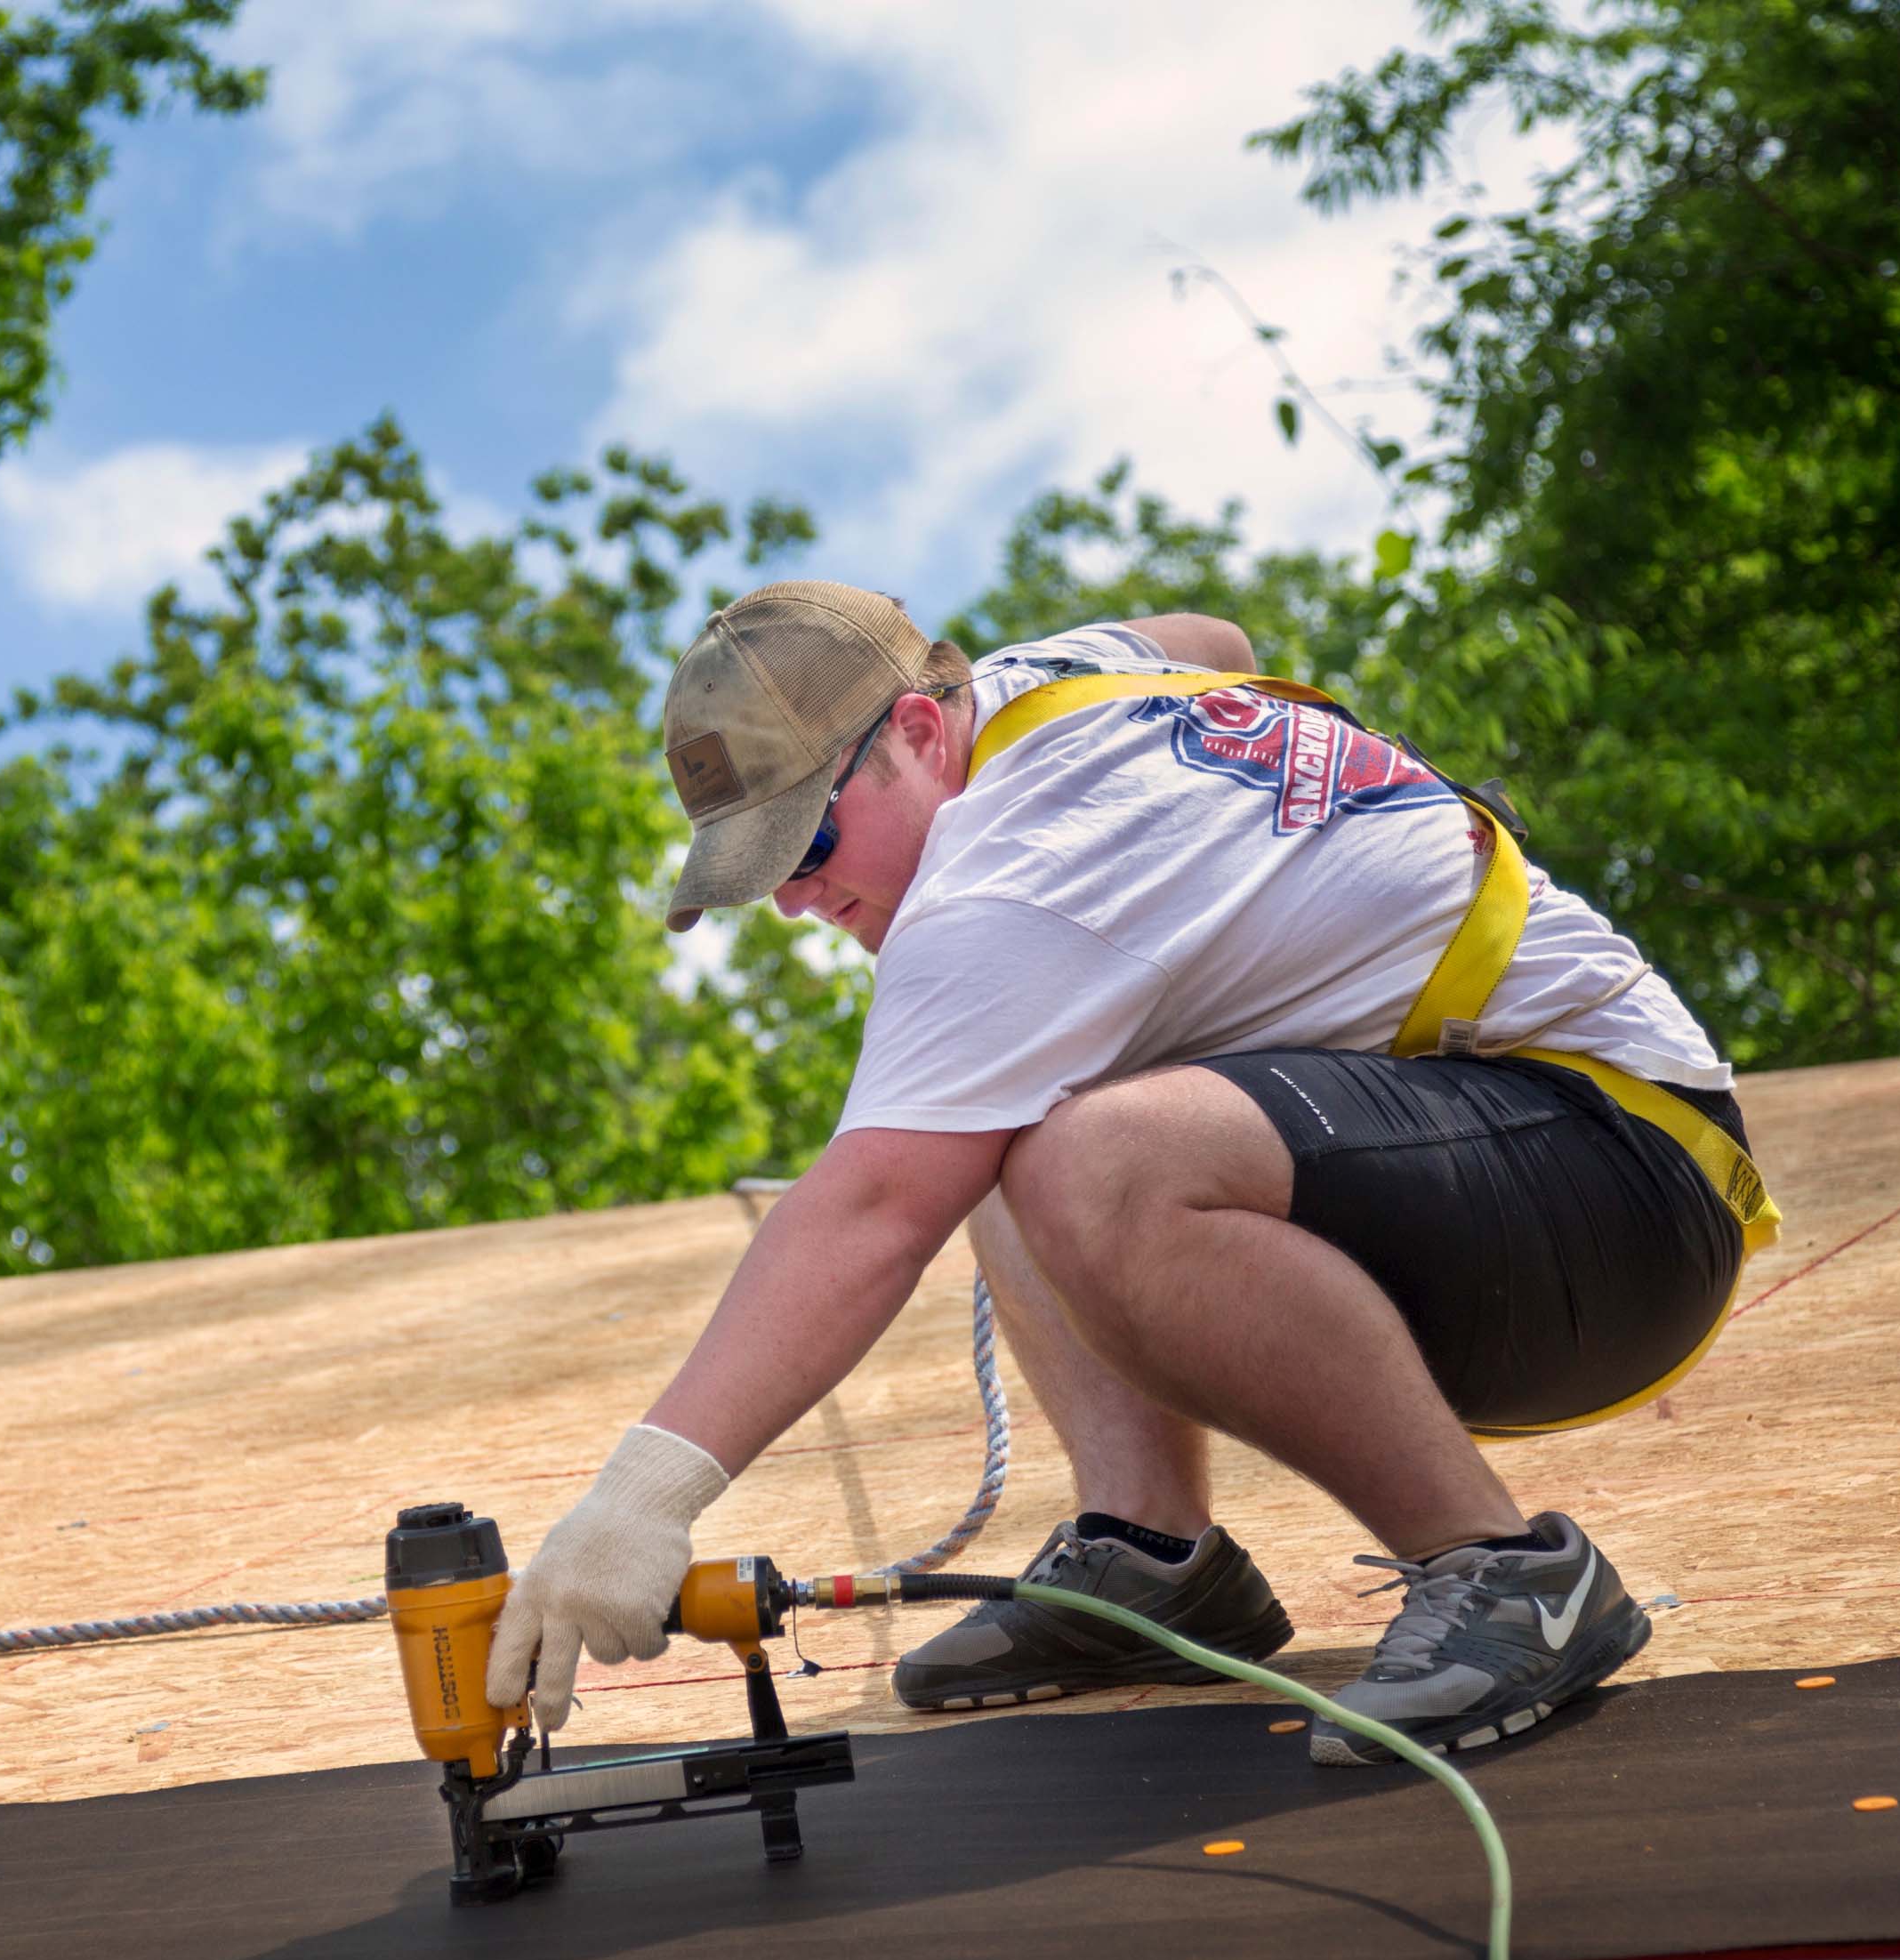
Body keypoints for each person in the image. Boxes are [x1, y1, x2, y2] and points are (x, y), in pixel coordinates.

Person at [487, 583, 1777, 1765]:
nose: (795, 900)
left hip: (1626, 1204)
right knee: (993, 1109)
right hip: (1544, 1156)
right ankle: (1154, 1554)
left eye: (810, 840)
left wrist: (642, 1501)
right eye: (761, 870)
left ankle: (1508, 1574)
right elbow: (1213, 643)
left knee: (1093, 1163)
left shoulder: (1004, 887)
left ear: (924, 738)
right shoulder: (1052, 681)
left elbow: (873, 1212)